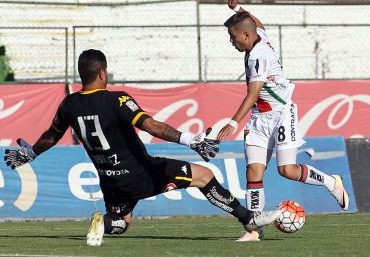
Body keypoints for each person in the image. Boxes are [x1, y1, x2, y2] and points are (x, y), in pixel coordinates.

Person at [4, 49, 281, 246]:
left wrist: (29, 153)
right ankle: (249, 219)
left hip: (109, 181)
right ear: (102, 72)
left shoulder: (69, 104)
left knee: (123, 222)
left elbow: (50, 136)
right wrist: (191, 140)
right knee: (204, 176)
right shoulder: (118, 100)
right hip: (140, 173)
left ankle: (103, 223)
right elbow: (152, 126)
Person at [217, 0, 350, 242]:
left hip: (281, 113)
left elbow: (254, 93)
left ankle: (331, 181)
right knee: (253, 173)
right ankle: (255, 231)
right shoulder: (260, 38)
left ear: (245, 35)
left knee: (286, 170)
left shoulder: (258, 56)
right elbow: (258, 24)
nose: (231, 41)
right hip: (259, 118)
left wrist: (233, 121)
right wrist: (237, 10)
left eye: (233, 37)